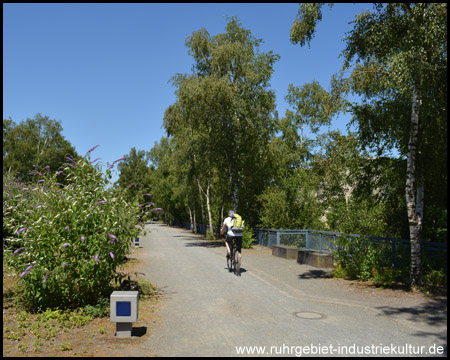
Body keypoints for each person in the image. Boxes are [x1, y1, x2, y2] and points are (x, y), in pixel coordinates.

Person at [220, 210, 243, 275]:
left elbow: (223, 228)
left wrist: (222, 233)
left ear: (228, 214)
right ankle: (238, 265)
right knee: (239, 250)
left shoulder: (226, 219)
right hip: (239, 235)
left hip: (230, 234)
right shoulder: (238, 218)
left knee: (226, 241)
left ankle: (229, 251)